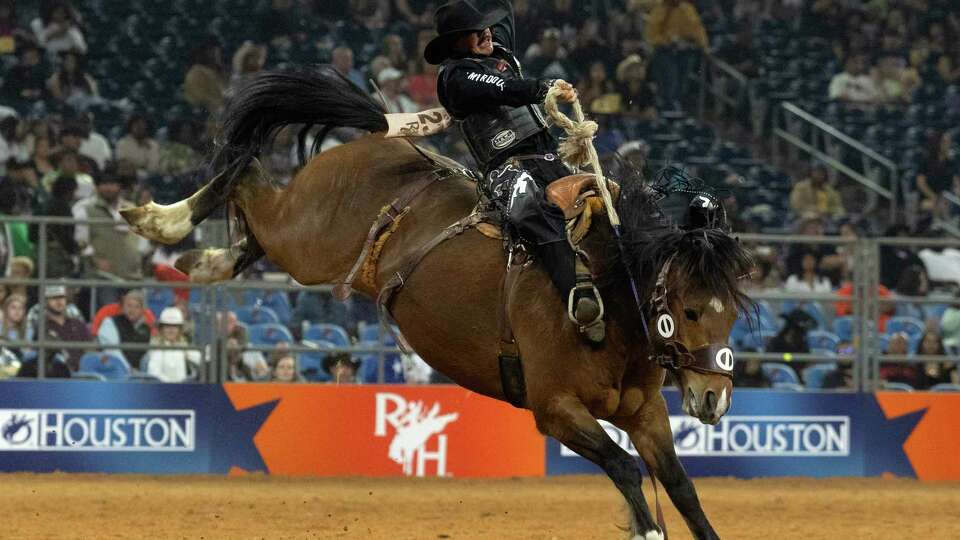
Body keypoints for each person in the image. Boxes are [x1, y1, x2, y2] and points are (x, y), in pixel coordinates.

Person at [425, 0, 604, 342]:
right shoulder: (455, 78)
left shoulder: (497, 47)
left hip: (549, 156)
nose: (486, 33)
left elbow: (502, 10)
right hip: (505, 167)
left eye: (485, 27)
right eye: (475, 31)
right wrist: (543, 88)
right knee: (529, 207)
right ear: (456, 43)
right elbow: (503, 89)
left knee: (601, 196)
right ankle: (577, 294)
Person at [644, 0, 708, 110]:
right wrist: (670, 42)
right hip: (665, 52)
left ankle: (678, 110)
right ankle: (668, 110)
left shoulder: (687, 9)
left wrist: (703, 46)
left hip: (685, 52)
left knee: (683, 84)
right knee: (670, 82)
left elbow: (698, 29)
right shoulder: (660, 10)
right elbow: (652, 36)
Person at [31, 284, 92, 371]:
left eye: (61, 297)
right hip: (57, 374)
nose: (59, 301)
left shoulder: (78, 324)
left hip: (84, 373)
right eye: (54, 298)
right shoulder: (42, 327)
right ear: (46, 301)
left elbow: (91, 350)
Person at [97, 289, 152, 369]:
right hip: (113, 369)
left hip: (139, 374)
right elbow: (112, 351)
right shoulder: (110, 322)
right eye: (129, 305)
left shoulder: (146, 328)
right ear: (123, 307)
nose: (132, 310)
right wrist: (128, 369)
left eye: (137, 307)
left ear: (143, 310)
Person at [146, 307, 200, 382]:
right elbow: (154, 373)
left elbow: (200, 359)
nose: (171, 330)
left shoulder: (182, 345)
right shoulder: (156, 347)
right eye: (167, 326)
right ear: (161, 328)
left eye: (175, 326)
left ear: (180, 329)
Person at [115, 113, 160, 178]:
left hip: (148, 179)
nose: (139, 128)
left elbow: (153, 167)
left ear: (147, 127)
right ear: (130, 126)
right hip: (127, 179)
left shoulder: (153, 145)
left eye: (142, 125)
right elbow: (123, 165)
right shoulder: (122, 143)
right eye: (136, 125)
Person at [1, 292, 28, 358]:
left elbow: (26, 355)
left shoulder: (29, 331)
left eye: (21, 308)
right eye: (13, 307)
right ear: (6, 309)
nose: (17, 311)